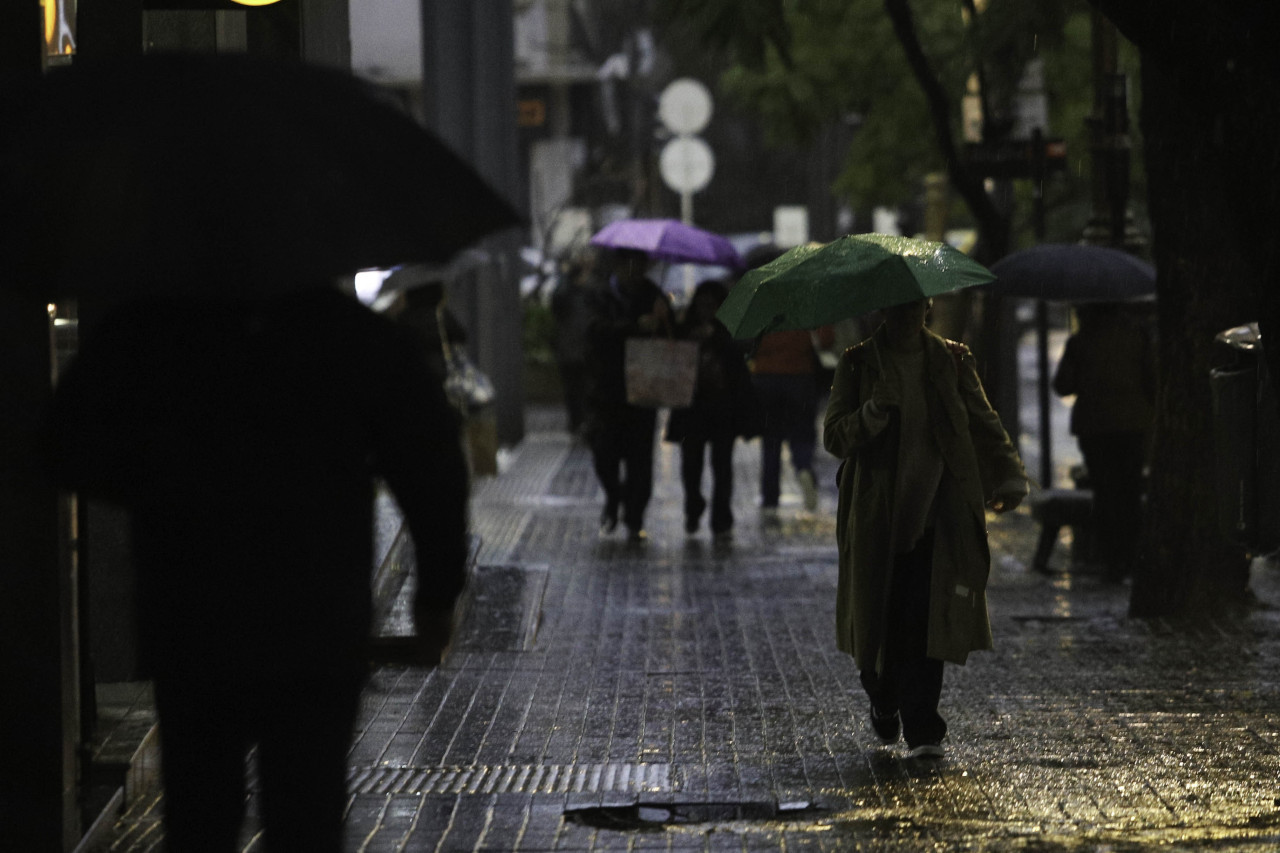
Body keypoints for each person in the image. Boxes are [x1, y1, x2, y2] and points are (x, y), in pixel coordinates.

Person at [41, 288, 470, 852]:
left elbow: (63, 444)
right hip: (314, 615)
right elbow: (431, 464)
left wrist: (162, 488)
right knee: (307, 816)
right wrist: (437, 597)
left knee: (199, 814)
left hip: (191, 608)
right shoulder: (349, 333)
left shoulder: (153, 328)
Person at [823, 298, 1028, 759]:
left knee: (925, 619)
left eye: (916, 304)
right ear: (883, 311)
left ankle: (923, 729)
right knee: (878, 622)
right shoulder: (858, 364)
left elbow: (984, 421)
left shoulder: (953, 360)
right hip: (877, 516)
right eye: (896, 305)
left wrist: (1009, 474)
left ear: (928, 307)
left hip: (939, 512)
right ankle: (882, 698)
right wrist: (874, 411)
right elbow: (835, 435)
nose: (907, 313)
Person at [1052, 301, 1156, 582]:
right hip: (1132, 425)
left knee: (1105, 493)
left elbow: (1063, 384)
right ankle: (1131, 558)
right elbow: (1152, 380)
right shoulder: (1138, 337)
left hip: (1095, 427)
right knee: (1130, 493)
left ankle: (1112, 561)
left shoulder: (1080, 341)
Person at [583, 247, 672, 542]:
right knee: (604, 453)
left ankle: (634, 517)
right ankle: (613, 497)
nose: (636, 270)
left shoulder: (654, 296)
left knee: (640, 460)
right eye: (630, 264)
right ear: (619, 265)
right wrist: (633, 328)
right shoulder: (600, 296)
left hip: (643, 390)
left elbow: (671, 339)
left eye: (642, 264)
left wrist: (663, 320)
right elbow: (594, 332)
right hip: (607, 389)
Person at [742, 244, 833, 513]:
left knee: (771, 439)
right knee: (802, 433)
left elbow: (746, 339)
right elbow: (827, 339)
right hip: (800, 377)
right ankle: (804, 469)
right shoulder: (804, 297)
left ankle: (770, 496)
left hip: (764, 379)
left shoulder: (760, 299)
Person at [664, 279, 758, 539]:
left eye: (712, 305)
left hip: (722, 407)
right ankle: (693, 506)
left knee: (722, 465)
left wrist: (715, 338)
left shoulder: (729, 328)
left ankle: (721, 516)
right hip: (692, 408)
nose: (707, 310)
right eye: (702, 305)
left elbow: (743, 353)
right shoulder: (685, 328)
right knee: (691, 465)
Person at [550, 251, 599, 438]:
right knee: (573, 389)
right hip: (570, 348)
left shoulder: (592, 289)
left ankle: (584, 422)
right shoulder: (566, 290)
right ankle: (577, 422)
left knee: (585, 388)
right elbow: (557, 305)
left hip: (584, 348)